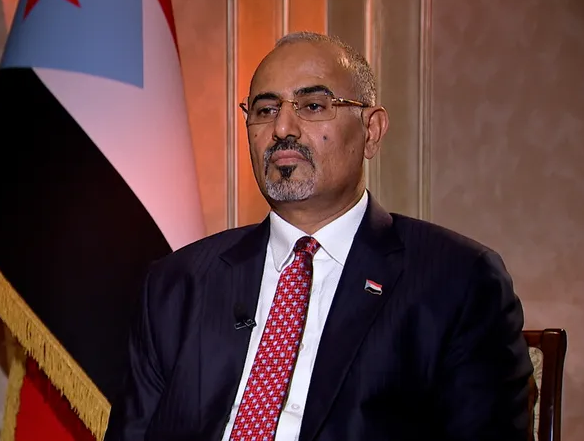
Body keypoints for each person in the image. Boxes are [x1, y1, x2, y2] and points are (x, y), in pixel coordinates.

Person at [104, 31, 533, 441]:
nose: (282, 128)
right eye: (265, 110)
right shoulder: (177, 283)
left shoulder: (457, 281)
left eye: (312, 106)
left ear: (372, 130)